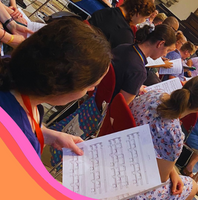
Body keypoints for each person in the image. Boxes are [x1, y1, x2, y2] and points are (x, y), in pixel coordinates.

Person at [0, 17, 111, 157]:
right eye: (90, 86)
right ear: (62, 86)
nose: (91, 91)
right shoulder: (19, 142)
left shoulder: (9, 66)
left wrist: (47, 134)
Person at [129, 76, 198, 199]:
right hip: (135, 174)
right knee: (192, 186)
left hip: (124, 146)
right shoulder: (174, 135)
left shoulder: (155, 94)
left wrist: (172, 171)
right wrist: (170, 171)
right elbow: (161, 177)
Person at [111, 24, 176, 104]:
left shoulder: (123, 47)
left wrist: (136, 88)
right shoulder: (139, 72)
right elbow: (119, 106)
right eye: (168, 50)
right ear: (160, 44)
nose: (165, 54)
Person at [89, 0, 155, 49]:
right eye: (145, 18)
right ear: (138, 13)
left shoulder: (104, 11)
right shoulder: (125, 33)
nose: (143, 21)